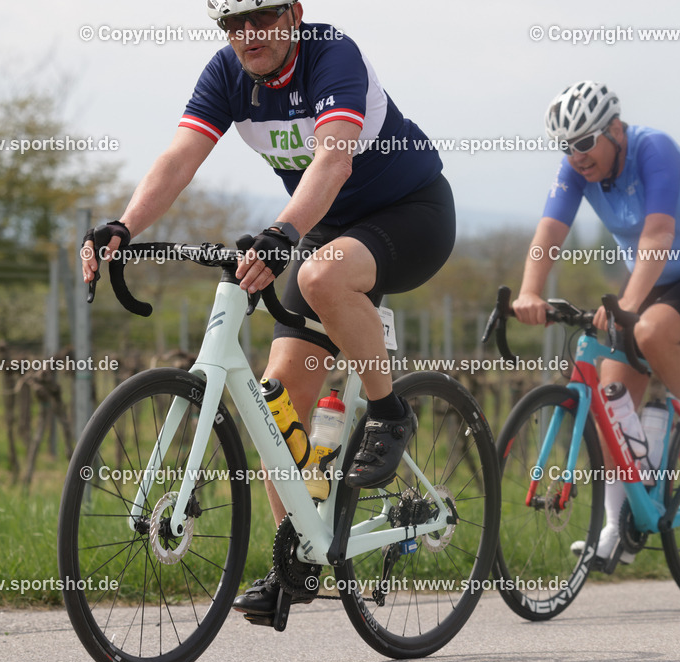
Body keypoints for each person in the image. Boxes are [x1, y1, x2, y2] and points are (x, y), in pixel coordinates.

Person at [81, 0, 455, 616]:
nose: (246, 34)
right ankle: (297, 558)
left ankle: (389, 414)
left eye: (260, 17)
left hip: (410, 213)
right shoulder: (227, 73)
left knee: (320, 276)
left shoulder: (332, 53)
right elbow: (179, 158)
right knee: (275, 400)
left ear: (294, 13)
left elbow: (334, 159)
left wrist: (281, 233)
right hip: (322, 227)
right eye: (233, 24)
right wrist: (124, 224)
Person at [513, 80, 680, 567]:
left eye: (584, 142)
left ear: (615, 129)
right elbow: (549, 231)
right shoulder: (577, 167)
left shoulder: (653, 148)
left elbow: (658, 233)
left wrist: (629, 304)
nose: (576, 156)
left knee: (650, 331)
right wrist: (529, 291)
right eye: (565, 146)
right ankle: (618, 527)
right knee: (611, 400)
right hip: (650, 280)